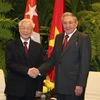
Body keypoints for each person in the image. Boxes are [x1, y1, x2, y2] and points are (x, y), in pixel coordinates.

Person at [32, 12, 91, 100]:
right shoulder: (59, 37)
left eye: (70, 22)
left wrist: (80, 84)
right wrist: (38, 71)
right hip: (60, 85)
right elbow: (53, 59)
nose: (67, 25)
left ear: (76, 23)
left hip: (74, 86)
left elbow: (85, 64)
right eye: (65, 23)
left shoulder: (83, 38)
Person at [4, 19, 44, 100]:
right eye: (23, 28)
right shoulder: (10, 45)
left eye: (28, 28)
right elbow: (9, 63)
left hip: (31, 89)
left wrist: (39, 88)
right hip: (14, 89)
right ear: (19, 29)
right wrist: (27, 71)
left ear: (32, 31)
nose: (26, 31)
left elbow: (40, 67)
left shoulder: (38, 47)